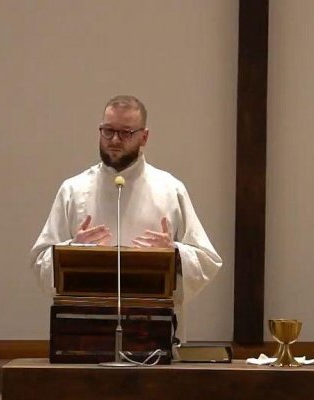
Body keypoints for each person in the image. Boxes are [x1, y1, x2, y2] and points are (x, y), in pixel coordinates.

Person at [29, 95, 222, 340]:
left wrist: (175, 254)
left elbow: (207, 261)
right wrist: (72, 249)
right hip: (86, 330)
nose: (114, 140)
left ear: (144, 137)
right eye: (108, 131)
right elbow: (40, 260)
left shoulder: (170, 189)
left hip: (152, 330)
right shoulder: (73, 190)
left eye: (125, 133)